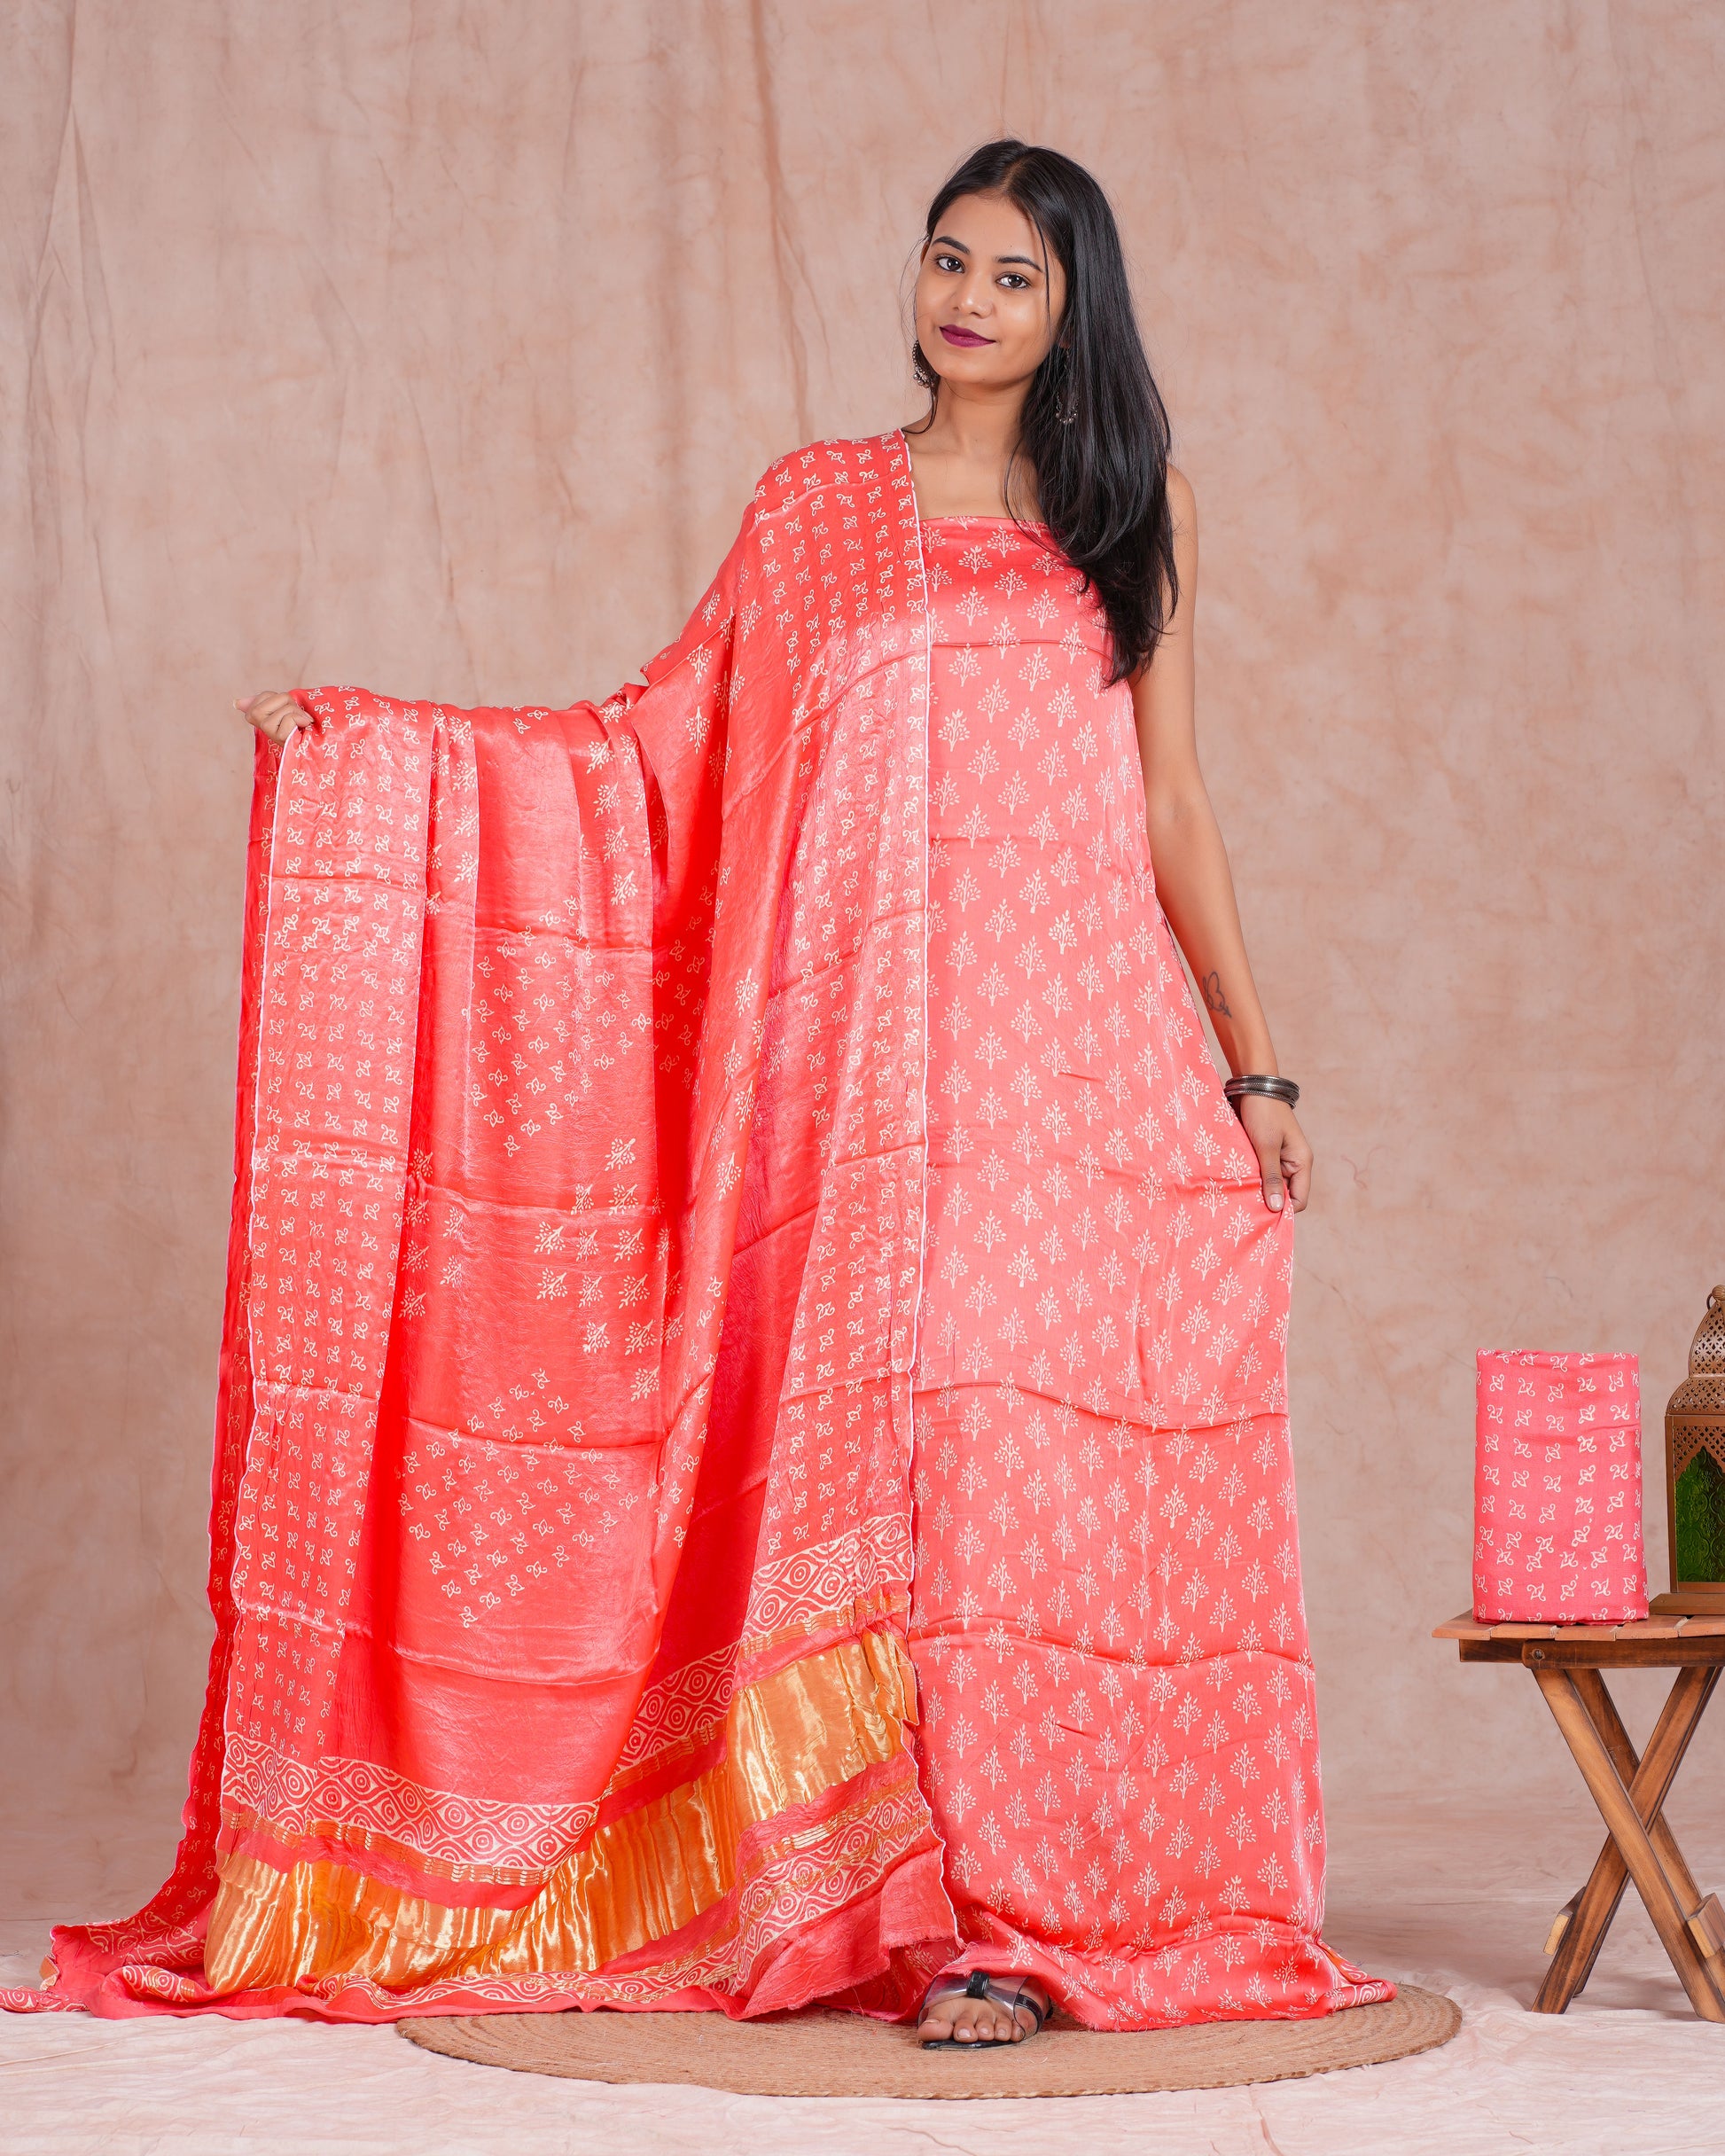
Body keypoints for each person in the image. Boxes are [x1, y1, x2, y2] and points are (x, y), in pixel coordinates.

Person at [10, 141, 1387, 2044]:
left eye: (1014, 276)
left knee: (1033, 1487)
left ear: (1076, 310)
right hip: (859, 1093)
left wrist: (1253, 1064)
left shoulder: (1125, 516)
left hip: (1078, 1073)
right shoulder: (815, 511)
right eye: (949, 260)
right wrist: (390, 756)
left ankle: (1041, 1910)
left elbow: (1169, 803)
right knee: (905, 1478)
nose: (969, 300)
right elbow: (653, 745)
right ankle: (926, 1912)